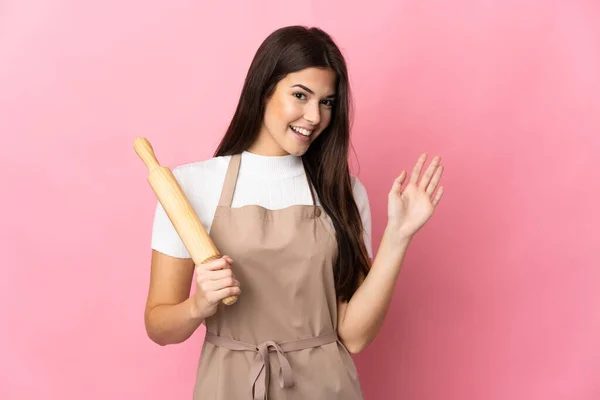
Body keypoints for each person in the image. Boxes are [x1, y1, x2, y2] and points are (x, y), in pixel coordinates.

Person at [144, 25, 444, 400]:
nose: (314, 116)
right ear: (264, 89)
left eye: (327, 102)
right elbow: (158, 325)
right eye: (300, 95)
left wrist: (398, 236)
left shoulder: (344, 192)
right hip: (229, 386)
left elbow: (354, 335)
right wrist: (197, 306)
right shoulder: (190, 187)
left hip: (325, 388)